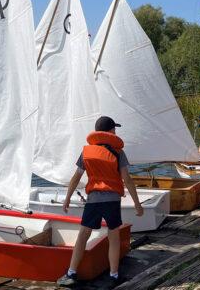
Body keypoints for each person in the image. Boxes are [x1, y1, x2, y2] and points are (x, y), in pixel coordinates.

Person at [56, 116, 143, 287]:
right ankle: (114, 275)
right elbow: (127, 179)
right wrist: (137, 204)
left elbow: (75, 178)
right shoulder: (119, 152)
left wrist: (67, 199)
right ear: (110, 131)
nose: (115, 132)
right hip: (111, 200)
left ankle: (71, 273)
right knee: (114, 236)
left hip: (93, 200)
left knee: (83, 235)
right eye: (114, 129)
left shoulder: (87, 152)